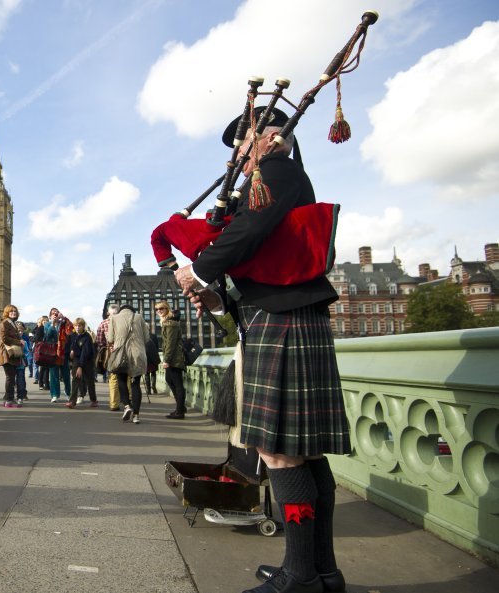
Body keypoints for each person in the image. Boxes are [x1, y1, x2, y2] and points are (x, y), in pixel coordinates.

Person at [175, 107, 349, 593]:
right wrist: (220, 296)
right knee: (306, 455)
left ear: (269, 136)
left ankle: (299, 576)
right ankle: (321, 572)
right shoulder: (279, 177)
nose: (238, 155)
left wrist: (201, 268)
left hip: (284, 321)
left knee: (278, 453)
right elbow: (266, 257)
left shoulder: (277, 170)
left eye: (242, 141)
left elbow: (249, 231)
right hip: (280, 314)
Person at [106, 304, 146, 424]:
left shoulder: (114, 318)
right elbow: (147, 337)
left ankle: (127, 406)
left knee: (122, 381)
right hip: (137, 354)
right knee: (135, 384)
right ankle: (136, 415)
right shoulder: (139, 317)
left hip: (121, 355)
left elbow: (110, 339)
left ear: (121, 310)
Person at [156, 304, 187, 419]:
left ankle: (180, 411)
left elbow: (170, 343)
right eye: (157, 309)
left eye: (161, 308)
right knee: (170, 380)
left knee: (177, 384)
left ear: (167, 309)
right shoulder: (166, 323)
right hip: (173, 358)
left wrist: (166, 359)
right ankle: (180, 407)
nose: (159, 311)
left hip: (175, 358)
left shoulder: (171, 324)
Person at [64, 317, 97, 408]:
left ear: (83, 326)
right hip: (76, 359)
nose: (77, 327)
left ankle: (93, 400)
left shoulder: (87, 337)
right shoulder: (73, 335)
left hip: (87, 361)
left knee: (90, 380)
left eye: (80, 325)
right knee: (75, 380)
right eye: (76, 325)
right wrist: (71, 350)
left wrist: (80, 367)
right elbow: (71, 345)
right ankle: (72, 401)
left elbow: (85, 353)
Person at [0, 304, 25, 408]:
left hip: (11, 354)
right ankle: (9, 400)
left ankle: (7, 399)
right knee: (10, 377)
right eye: (11, 311)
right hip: (7, 354)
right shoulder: (5, 323)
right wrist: (19, 341)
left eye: (15, 311)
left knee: (11, 377)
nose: (13, 312)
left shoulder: (12, 323)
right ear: (7, 313)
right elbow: (4, 339)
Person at [96, 303, 121, 410]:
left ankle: (114, 404)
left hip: (111, 354)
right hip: (125, 353)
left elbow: (99, 341)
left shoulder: (103, 323)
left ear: (108, 313)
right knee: (127, 377)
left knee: (113, 378)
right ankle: (128, 402)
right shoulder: (123, 322)